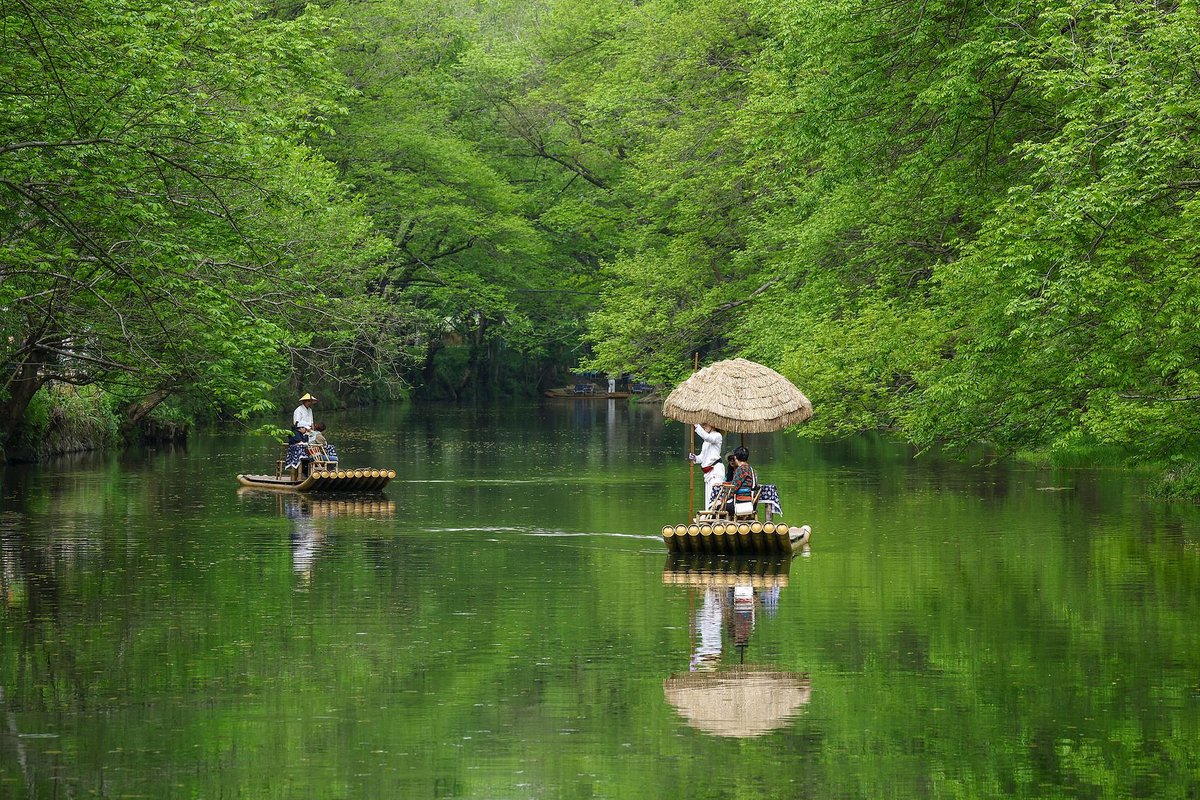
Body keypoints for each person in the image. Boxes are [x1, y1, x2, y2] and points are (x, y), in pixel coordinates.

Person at [688, 423, 725, 507]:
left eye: (705, 425)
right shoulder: (706, 441)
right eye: (702, 425)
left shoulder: (717, 436)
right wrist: (695, 458)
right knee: (708, 498)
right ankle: (708, 516)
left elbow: (707, 438)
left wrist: (697, 426)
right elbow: (702, 457)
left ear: (712, 425)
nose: (703, 426)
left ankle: (714, 517)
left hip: (716, 470)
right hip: (708, 471)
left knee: (714, 497)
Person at [724, 446, 757, 517]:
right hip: (751, 503)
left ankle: (712, 525)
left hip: (741, 504)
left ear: (735, 457)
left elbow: (733, 488)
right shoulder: (751, 469)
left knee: (718, 506)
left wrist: (723, 499)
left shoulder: (741, 469)